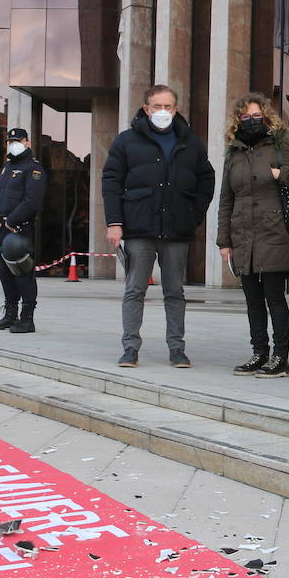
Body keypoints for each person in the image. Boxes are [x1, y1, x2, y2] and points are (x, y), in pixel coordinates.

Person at [102, 84, 216, 368]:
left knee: (175, 292)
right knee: (134, 290)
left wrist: (194, 214)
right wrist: (115, 223)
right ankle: (130, 348)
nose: (163, 112)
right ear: (146, 108)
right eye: (157, 106)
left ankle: (177, 349)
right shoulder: (126, 141)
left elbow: (207, 179)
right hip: (139, 227)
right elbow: (111, 182)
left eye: (168, 107)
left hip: (176, 230)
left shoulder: (190, 141)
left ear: (175, 109)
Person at [217, 92, 289, 378]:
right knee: (252, 300)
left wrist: (280, 174)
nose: (252, 121)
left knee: (274, 297)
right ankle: (259, 353)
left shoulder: (281, 148)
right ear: (238, 121)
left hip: (274, 234)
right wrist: (224, 241)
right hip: (244, 236)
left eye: (257, 116)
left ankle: (280, 357)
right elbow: (226, 199)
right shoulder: (234, 154)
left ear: (267, 118)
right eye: (246, 117)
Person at [0, 128, 46, 334]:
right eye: (10, 140)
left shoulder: (33, 169)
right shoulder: (6, 168)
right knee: (5, 273)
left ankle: (27, 319)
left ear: (27, 142)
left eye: (17, 140)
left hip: (21, 229)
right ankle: (10, 314)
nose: (13, 143)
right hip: (4, 229)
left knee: (22, 272)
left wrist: (11, 220)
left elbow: (32, 201)